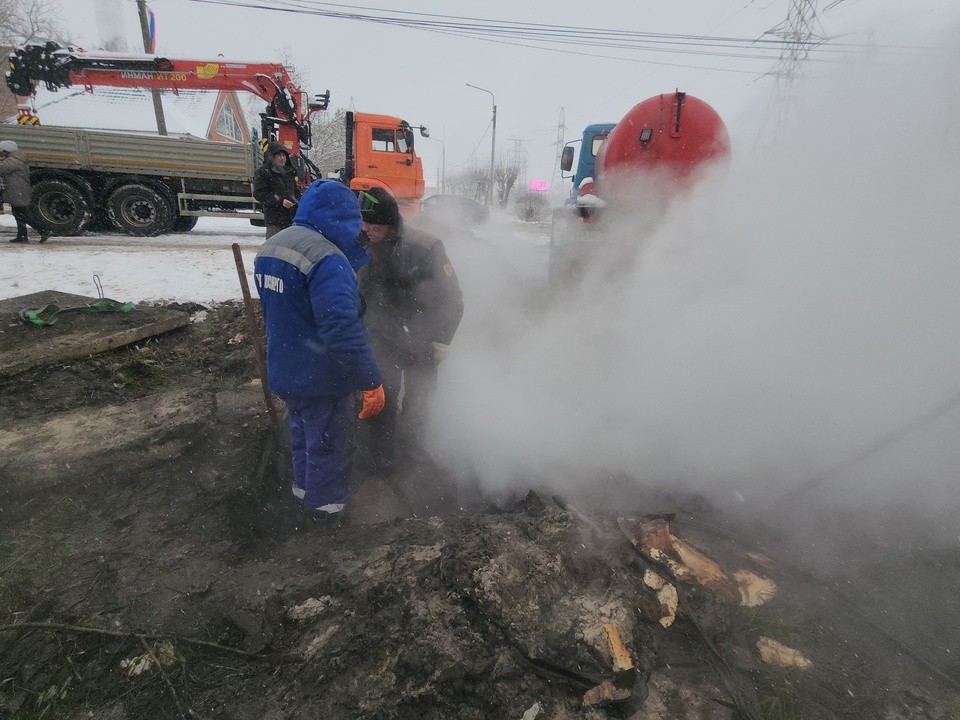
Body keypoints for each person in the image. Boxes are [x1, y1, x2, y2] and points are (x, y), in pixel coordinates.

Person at [254, 179, 385, 518]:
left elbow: (292, 310)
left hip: (286, 370)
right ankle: (326, 516)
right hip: (321, 378)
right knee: (328, 446)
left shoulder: (274, 246)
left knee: (302, 436)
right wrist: (370, 380)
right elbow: (341, 329)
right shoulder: (327, 259)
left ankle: (302, 493)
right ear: (342, 218)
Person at [356, 186, 464, 473]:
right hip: (382, 336)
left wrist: (442, 340)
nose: (366, 228)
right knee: (384, 398)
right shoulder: (361, 244)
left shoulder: (425, 247)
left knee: (420, 399)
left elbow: (453, 299)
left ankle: (413, 455)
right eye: (363, 222)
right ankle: (383, 462)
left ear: (390, 222)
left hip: (422, 336)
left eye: (373, 223)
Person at [0, 140, 48, 244]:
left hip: (17, 191)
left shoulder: (13, 160)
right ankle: (22, 235)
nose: (1, 153)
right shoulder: (16, 158)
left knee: (22, 215)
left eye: (2, 151)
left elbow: (2, 168)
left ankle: (44, 231)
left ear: (7, 150)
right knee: (19, 214)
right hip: (18, 191)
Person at [253, 141, 300, 239]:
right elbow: (259, 193)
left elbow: (296, 193)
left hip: (291, 220)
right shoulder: (263, 172)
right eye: (278, 155)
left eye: (283, 155)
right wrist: (280, 201)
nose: (282, 158)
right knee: (274, 250)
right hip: (274, 221)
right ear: (271, 157)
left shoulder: (289, 172)